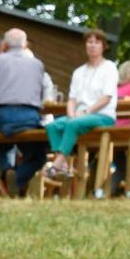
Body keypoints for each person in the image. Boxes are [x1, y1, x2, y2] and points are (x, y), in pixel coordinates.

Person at [0, 28, 48, 196]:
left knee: (4, 142)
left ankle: (8, 170)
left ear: (5, 44)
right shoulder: (37, 64)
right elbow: (43, 93)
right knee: (38, 156)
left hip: (2, 114)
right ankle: (18, 177)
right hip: (28, 115)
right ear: (26, 44)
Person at [44, 28, 118, 179]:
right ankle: (64, 166)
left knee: (72, 124)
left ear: (104, 46)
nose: (92, 45)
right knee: (52, 126)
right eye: (89, 42)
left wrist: (85, 112)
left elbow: (107, 97)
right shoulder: (79, 71)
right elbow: (72, 99)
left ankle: (56, 165)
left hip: (103, 115)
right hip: (79, 116)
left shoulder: (109, 67)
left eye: (96, 42)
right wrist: (71, 113)